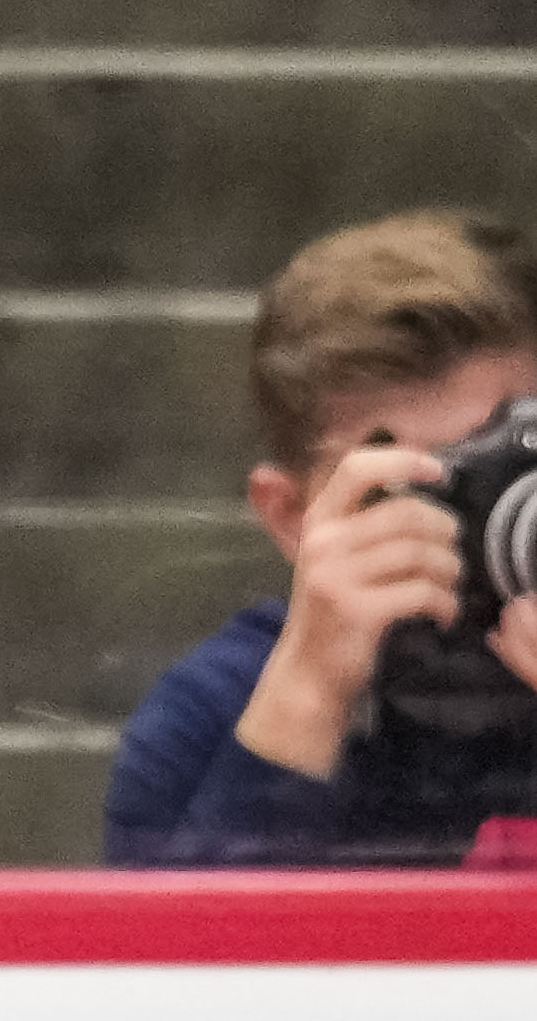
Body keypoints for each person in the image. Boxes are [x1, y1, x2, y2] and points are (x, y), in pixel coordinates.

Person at [109, 212, 537, 872]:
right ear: (291, 516)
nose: (481, 519)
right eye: (431, 487)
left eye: (511, 469)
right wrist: (307, 696)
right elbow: (181, 944)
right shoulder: (217, 709)